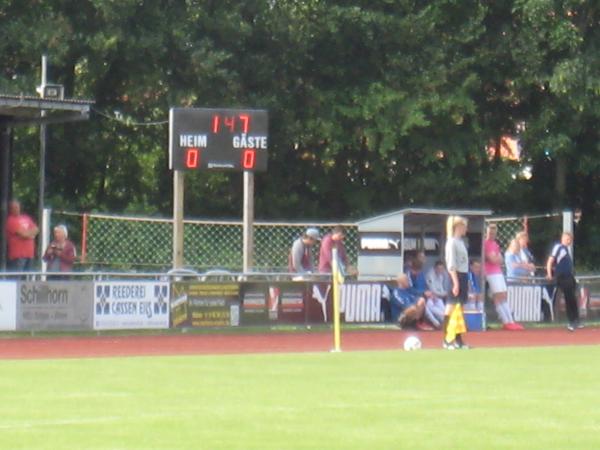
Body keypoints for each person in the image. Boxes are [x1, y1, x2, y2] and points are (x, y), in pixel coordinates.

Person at [484, 223, 523, 331]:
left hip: (498, 271)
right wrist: (495, 258)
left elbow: (500, 259)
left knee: (504, 295)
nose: (492, 234)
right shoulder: (485, 243)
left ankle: (511, 321)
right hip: (490, 272)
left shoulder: (495, 244)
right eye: (490, 232)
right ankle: (506, 322)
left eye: (493, 233)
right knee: (498, 296)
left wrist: (495, 257)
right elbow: (492, 259)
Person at [546, 232, 582, 331]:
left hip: (568, 276)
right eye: (567, 238)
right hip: (562, 277)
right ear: (562, 238)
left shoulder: (566, 249)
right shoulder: (559, 247)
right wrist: (549, 273)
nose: (569, 241)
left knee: (572, 298)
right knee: (569, 298)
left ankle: (576, 320)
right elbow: (550, 260)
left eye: (570, 239)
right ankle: (571, 322)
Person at [444, 216, 470, 349]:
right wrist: (455, 282)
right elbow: (451, 264)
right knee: (451, 307)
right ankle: (447, 339)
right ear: (457, 227)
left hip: (463, 275)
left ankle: (458, 339)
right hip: (456, 276)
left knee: (460, 309)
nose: (466, 228)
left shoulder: (461, 242)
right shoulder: (451, 242)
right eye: (463, 226)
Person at [5, 199, 39, 271]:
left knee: (28, 279)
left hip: (30, 254)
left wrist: (28, 234)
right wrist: (31, 234)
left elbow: (36, 229)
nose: (16, 209)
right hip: (18, 256)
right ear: (10, 209)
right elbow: (23, 234)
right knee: (18, 279)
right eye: (14, 207)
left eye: (17, 207)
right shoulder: (11, 220)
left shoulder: (26, 217)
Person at [424, 261, 450, 329]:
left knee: (444, 311)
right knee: (432, 308)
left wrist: (444, 293)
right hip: (428, 297)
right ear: (435, 268)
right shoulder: (430, 275)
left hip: (437, 297)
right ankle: (437, 324)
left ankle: (446, 324)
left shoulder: (441, 275)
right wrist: (444, 294)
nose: (440, 270)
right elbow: (432, 289)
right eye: (439, 269)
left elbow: (441, 289)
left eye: (442, 269)